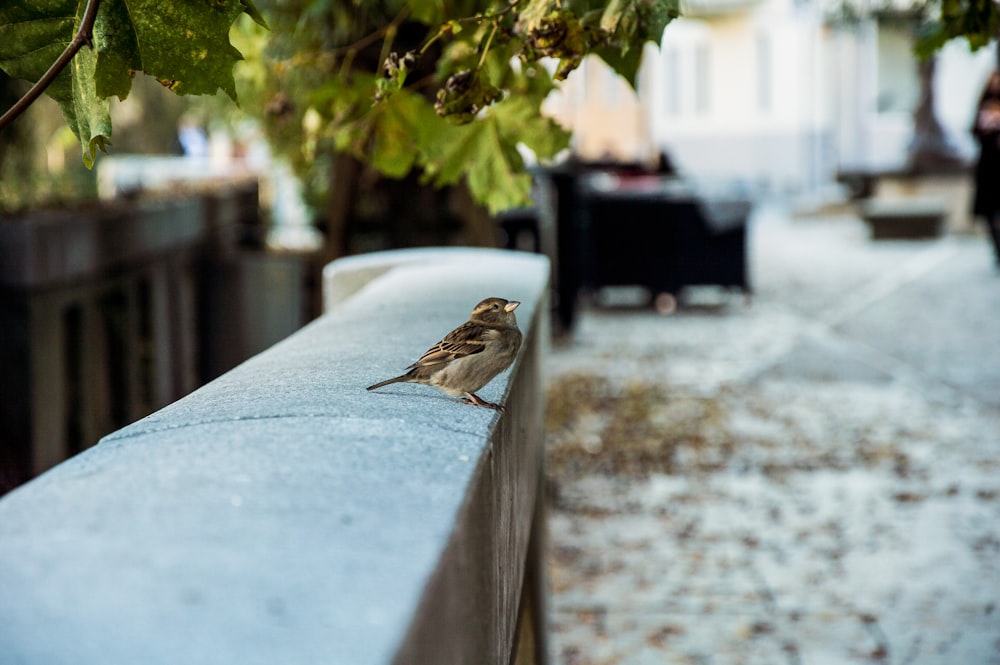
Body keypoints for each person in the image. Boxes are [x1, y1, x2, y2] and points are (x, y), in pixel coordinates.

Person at [971, 68, 1000, 265]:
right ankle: (997, 248)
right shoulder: (983, 104)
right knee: (989, 211)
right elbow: (972, 130)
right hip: (988, 165)